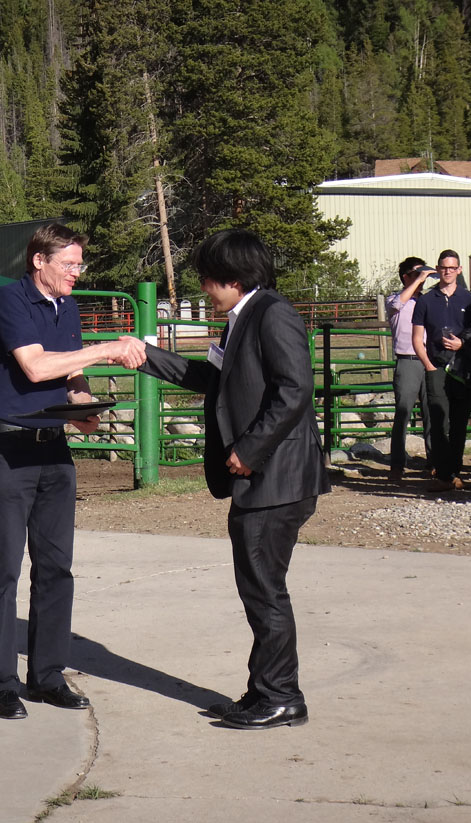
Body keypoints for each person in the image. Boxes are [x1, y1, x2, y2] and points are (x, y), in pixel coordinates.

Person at [134, 229, 329, 730]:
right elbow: (211, 379)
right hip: (262, 479)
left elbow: (295, 389)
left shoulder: (272, 313)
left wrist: (250, 448)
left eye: (207, 279)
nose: (204, 289)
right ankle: (264, 690)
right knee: (259, 587)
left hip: (276, 478)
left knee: (265, 590)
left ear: (233, 278)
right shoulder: (241, 319)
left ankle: (282, 697)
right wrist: (142, 355)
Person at [0, 223, 143, 720]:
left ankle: (47, 675)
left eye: (79, 264)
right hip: (8, 448)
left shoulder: (66, 306)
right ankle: (1, 683)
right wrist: (108, 348)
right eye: (69, 263)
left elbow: (70, 372)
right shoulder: (10, 300)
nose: (77, 272)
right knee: (5, 570)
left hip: (53, 448)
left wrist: (84, 405)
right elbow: (35, 366)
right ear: (39, 261)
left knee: (55, 568)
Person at [411, 250, 471, 492]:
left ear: (459, 270)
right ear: (437, 269)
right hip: (437, 367)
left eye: (452, 268)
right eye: (444, 267)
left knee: (459, 423)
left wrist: (462, 344)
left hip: (463, 368)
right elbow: (417, 338)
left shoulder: (470, 300)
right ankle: (443, 474)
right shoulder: (426, 301)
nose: (448, 272)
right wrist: (428, 365)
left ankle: (455, 472)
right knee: (438, 421)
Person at [385, 258, 434, 483]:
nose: (421, 279)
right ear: (405, 277)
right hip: (407, 360)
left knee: (432, 413)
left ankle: (435, 463)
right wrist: (417, 281)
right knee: (403, 413)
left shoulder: (427, 301)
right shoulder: (395, 299)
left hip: (430, 360)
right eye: (416, 274)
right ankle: (397, 465)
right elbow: (397, 305)